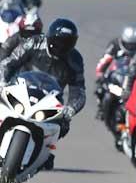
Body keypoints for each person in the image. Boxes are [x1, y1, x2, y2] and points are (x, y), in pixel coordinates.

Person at [0, 18, 85, 168]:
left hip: (50, 100)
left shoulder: (75, 59)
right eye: (60, 41)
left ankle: (44, 152)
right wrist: (2, 82)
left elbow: (79, 90)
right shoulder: (33, 43)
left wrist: (71, 108)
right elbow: (9, 63)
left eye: (68, 42)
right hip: (21, 89)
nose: (62, 46)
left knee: (64, 125)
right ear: (50, 38)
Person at [94, 24, 136, 117]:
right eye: (129, 45)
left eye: (134, 45)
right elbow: (104, 61)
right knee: (101, 89)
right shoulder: (114, 45)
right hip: (118, 74)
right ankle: (101, 109)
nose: (131, 47)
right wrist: (100, 75)